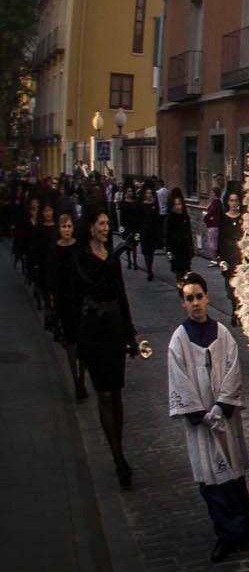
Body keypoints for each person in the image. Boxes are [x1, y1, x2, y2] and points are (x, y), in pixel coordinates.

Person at [166, 271, 249, 561]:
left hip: (224, 416)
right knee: (211, 477)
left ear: (207, 298)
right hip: (202, 422)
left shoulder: (222, 333)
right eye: (189, 298)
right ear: (183, 302)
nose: (196, 303)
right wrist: (200, 412)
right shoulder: (179, 340)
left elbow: (233, 368)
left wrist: (222, 406)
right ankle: (227, 532)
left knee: (233, 470)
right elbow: (178, 378)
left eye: (199, 297)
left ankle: (245, 525)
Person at [75, 209, 138, 487]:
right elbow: (95, 285)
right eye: (100, 223)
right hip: (93, 330)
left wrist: (130, 333)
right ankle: (118, 458)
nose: (105, 227)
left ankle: (119, 444)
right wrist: (116, 255)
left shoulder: (111, 256)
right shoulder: (82, 257)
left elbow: (120, 294)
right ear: (90, 228)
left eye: (107, 223)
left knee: (116, 393)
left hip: (114, 329)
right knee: (103, 394)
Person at [49, 210, 87, 400]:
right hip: (64, 300)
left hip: (79, 298)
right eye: (63, 226)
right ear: (59, 229)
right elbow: (54, 276)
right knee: (71, 341)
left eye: (69, 226)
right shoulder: (55, 249)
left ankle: (82, 378)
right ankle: (76, 381)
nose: (66, 230)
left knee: (83, 342)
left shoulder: (78, 248)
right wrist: (54, 298)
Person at [164, 191, 195, 278]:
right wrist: (168, 250)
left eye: (179, 204)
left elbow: (189, 232)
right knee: (178, 270)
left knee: (187, 270)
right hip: (175, 248)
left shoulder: (185, 217)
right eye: (176, 204)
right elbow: (167, 235)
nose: (178, 207)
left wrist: (191, 247)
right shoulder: (170, 218)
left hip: (185, 247)